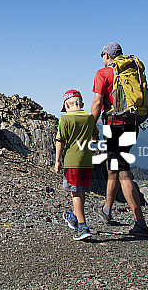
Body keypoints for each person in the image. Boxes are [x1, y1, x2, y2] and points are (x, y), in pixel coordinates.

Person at [91, 42, 148, 237]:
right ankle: (107, 210)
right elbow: (146, 102)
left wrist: (91, 127)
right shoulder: (133, 72)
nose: (102, 58)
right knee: (113, 167)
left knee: (123, 171)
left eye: (102, 55)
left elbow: (97, 103)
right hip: (132, 125)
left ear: (107, 55)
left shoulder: (103, 74)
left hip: (114, 127)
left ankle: (141, 223)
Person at [54, 89, 97, 241]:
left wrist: (57, 161)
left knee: (75, 194)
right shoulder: (90, 117)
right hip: (87, 161)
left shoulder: (65, 119)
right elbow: (94, 138)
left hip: (72, 161)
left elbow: (60, 140)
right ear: (82, 104)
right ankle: (74, 217)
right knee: (81, 191)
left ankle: (83, 227)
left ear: (66, 105)